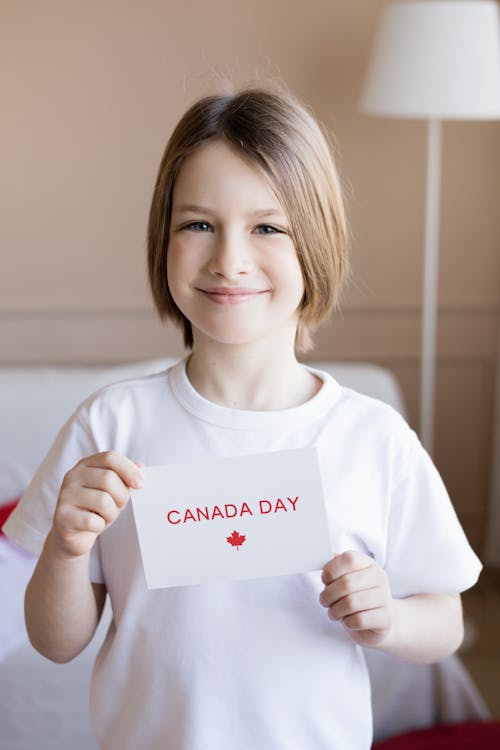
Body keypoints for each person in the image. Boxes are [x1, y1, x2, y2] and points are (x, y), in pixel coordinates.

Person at [3, 86, 481, 750]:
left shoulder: (372, 439)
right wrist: (64, 546)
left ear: (316, 242)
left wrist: (390, 620)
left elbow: (446, 620)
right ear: (161, 239)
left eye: (268, 227)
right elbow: (56, 642)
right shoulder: (110, 424)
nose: (230, 258)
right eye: (198, 224)